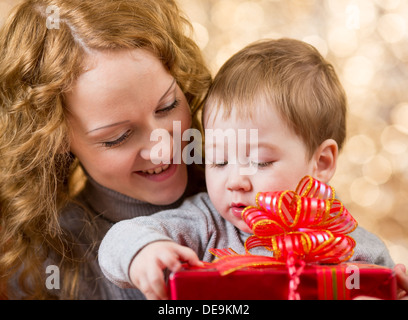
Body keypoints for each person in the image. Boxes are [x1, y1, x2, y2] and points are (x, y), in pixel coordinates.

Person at [98, 38, 399, 300]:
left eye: (259, 162)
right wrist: (144, 251)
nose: (235, 181)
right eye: (218, 160)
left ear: (321, 163)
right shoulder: (206, 224)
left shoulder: (355, 249)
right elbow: (121, 236)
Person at [0, 0, 211, 299]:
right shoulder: (49, 264)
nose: (163, 150)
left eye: (168, 106)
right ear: (54, 140)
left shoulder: (251, 187)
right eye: (118, 137)